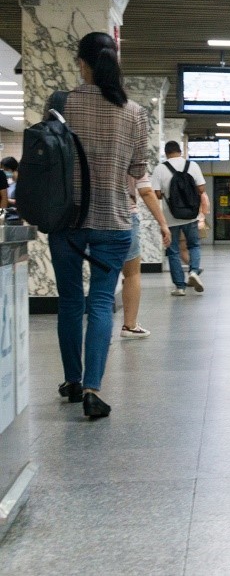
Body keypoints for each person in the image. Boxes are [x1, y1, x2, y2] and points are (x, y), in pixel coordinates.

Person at [49, 32, 148, 419]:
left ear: (82, 63)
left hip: (67, 219)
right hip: (114, 219)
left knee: (71, 300)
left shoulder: (62, 103)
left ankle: (72, 380)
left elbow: (49, 156)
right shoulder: (135, 112)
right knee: (103, 301)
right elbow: (138, 171)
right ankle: (93, 389)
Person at [152, 140, 207, 297]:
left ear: (166, 152)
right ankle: (194, 271)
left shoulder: (160, 169)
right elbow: (201, 188)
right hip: (190, 215)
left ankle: (180, 287)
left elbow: (155, 194)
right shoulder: (192, 166)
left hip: (170, 217)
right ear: (180, 151)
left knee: (173, 251)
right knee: (194, 245)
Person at [119, 174, 171, 338]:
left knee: (102, 275)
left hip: (91, 218)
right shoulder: (132, 151)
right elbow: (146, 191)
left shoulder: (85, 148)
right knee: (132, 273)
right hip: (125, 215)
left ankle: (99, 329)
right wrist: (163, 223)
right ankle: (130, 325)